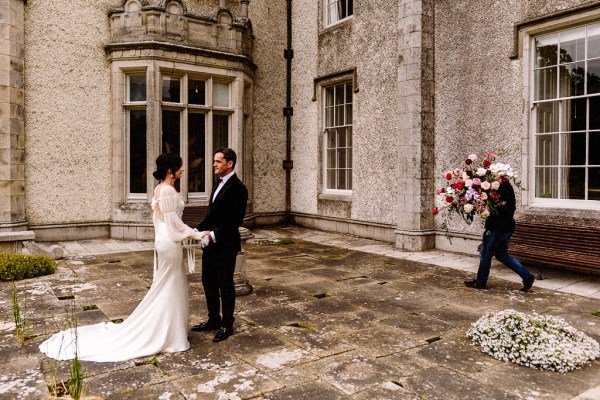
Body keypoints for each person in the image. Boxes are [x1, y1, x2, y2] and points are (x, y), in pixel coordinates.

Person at [39, 153, 205, 361]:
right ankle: (169, 334)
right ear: (171, 170)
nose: (183, 170)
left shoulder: (159, 189)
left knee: (168, 284)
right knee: (171, 284)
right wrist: (195, 234)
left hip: (164, 242)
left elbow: (165, 222)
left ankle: (171, 331)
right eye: (180, 167)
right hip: (169, 243)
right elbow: (174, 224)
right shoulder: (168, 191)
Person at [191, 148, 248, 343]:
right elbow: (211, 216)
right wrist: (195, 231)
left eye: (218, 161)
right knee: (208, 282)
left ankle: (227, 324)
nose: (214, 164)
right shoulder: (218, 185)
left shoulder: (239, 188)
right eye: (214, 161)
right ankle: (213, 319)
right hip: (210, 245)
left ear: (229, 163)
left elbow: (235, 220)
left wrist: (214, 234)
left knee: (225, 285)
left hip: (225, 245)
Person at [464, 179, 535, 291]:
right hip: (507, 226)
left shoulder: (496, 186)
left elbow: (496, 206)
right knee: (502, 255)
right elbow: (507, 206)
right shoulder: (506, 185)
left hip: (496, 227)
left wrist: (482, 206)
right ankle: (527, 276)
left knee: (486, 253)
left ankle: (481, 282)